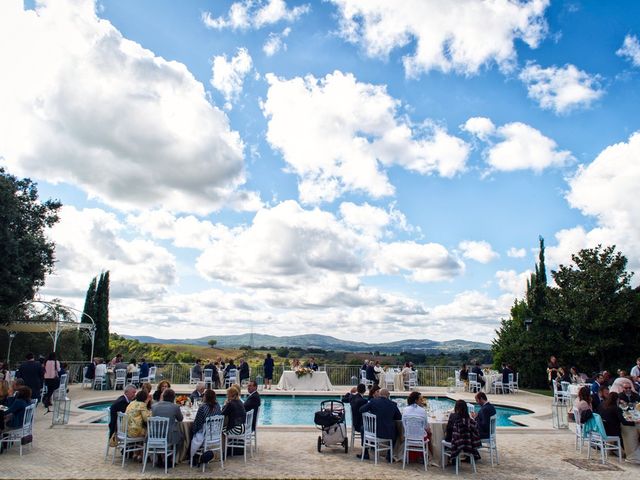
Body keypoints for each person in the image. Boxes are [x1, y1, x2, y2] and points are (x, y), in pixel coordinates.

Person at [358, 388, 401, 461]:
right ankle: (389, 454)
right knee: (396, 430)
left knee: (362, 428)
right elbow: (399, 417)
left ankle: (365, 453)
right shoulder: (393, 404)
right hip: (388, 433)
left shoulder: (373, 402)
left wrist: (370, 413)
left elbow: (361, 410)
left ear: (379, 394)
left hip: (373, 432)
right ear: (388, 395)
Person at [190, 389, 222, 461]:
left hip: (205, 435)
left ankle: (193, 457)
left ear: (205, 397)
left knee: (191, 432)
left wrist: (192, 431)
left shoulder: (202, 407)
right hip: (215, 435)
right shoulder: (218, 406)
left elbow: (198, 423)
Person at [151, 388, 184, 456]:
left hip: (154, 434)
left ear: (163, 397)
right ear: (173, 398)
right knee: (183, 438)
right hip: (169, 435)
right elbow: (180, 419)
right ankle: (172, 458)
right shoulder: (175, 407)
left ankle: (160, 456)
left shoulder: (154, 406)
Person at [350, 384, 368, 450]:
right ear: (365, 391)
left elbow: (344, 399)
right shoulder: (364, 401)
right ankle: (369, 447)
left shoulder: (352, 397)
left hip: (355, 422)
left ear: (357, 390)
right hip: (360, 424)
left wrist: (350, 392)